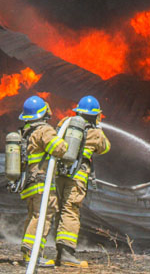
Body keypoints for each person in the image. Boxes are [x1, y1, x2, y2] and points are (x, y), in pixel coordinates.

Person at [53, 95, 111, 267]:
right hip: (77, 177)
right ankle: (67, 254)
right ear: (95, 115)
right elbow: (106, 147)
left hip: (60, 174)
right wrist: (98, 126)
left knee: (62, 210)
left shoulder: (66, 122)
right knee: (71, 211)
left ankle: (60, 252)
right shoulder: (95, 133)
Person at [17, 95, 67, 268]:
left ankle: (28, 253)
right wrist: (63, 138)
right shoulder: (44, 130)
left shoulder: (26, 131)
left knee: (34, 216)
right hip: (41, 185)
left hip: (30, 184)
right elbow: (59, 149)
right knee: (42, 217)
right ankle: (32, 254)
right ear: (42, 112)